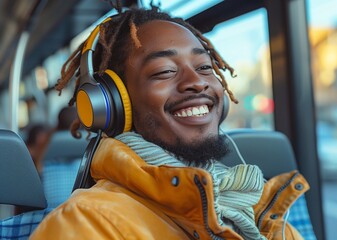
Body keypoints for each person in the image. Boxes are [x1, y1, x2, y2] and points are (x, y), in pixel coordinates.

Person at [31, 3, 309, 239]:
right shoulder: (85, 224)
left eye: (204, 67)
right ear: (111, 104)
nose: (197, 82)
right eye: (164, 71)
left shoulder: (259, 207)